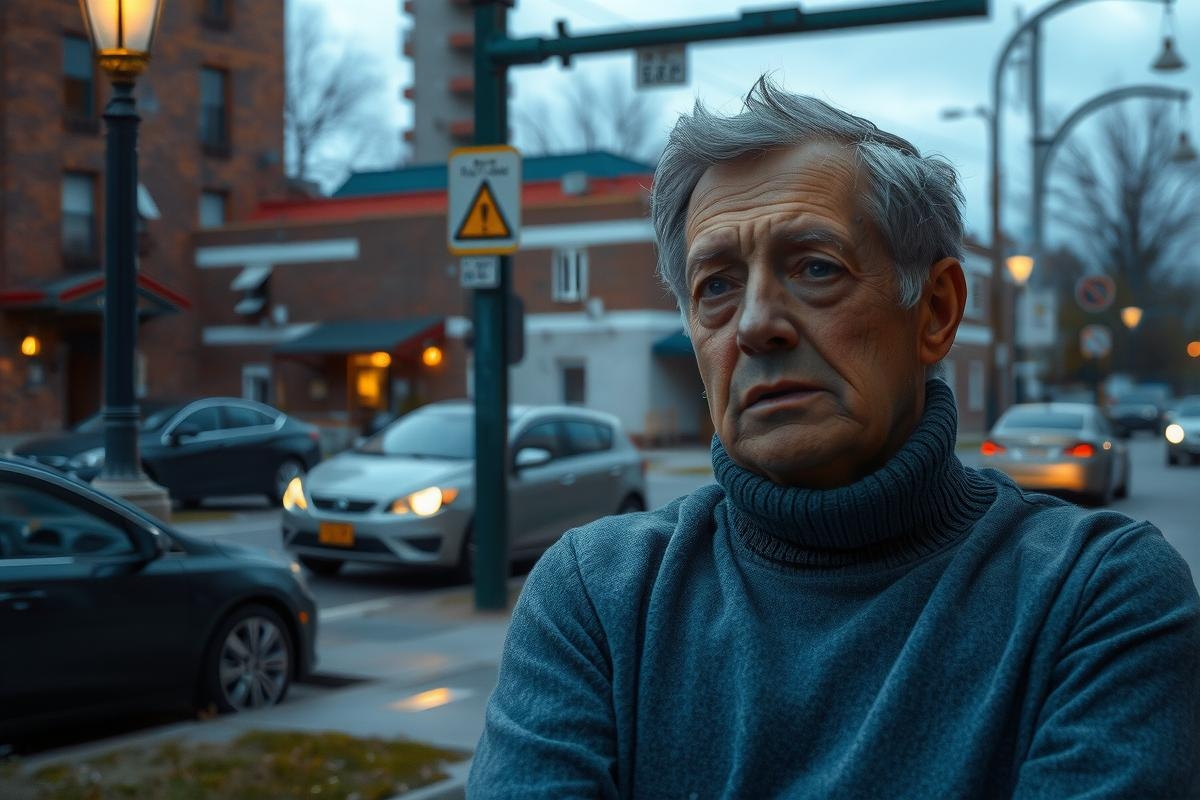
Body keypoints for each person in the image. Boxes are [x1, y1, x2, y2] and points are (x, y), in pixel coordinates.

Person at [468, 77, 1200, 798]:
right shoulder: (598, 598)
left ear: (937, 311)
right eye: (716, 286)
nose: (755, 324)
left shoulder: (1094, 595)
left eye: (815, 268)